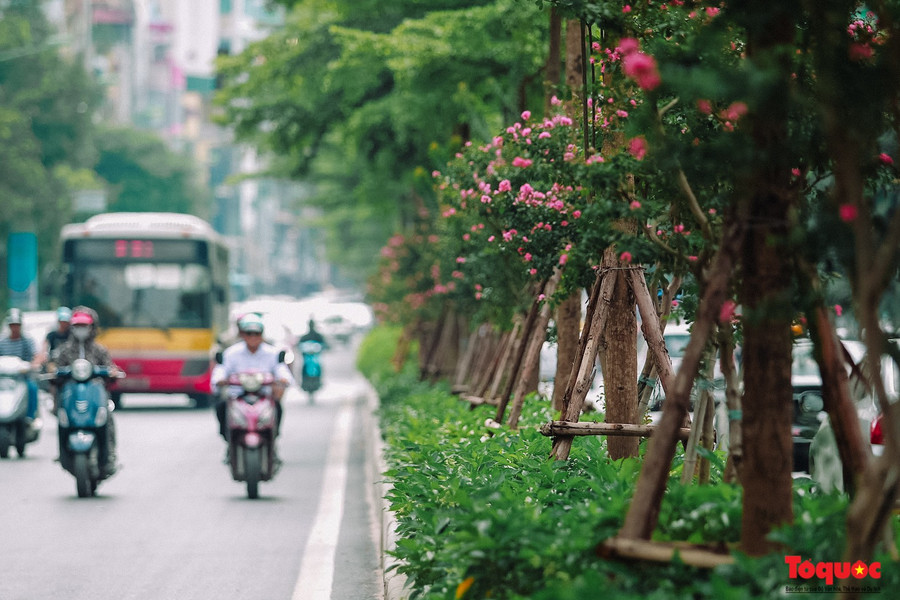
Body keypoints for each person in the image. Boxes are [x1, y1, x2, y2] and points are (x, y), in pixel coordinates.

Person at [54, 306, 122, 475]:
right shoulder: (65, 350)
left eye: (85, 326)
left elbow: (111, 368)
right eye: (77, 326)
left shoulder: (100, 350)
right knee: (62, 418)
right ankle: (62, 452)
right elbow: (54, 369)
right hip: (72, 396)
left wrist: (112, 372)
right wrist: (52, 371)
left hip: (95, 396)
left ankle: (110, 455)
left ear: (92, 328)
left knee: (108, 418)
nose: (81, 330)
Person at [210, 313, 294, 449]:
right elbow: (221, 369)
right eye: (249, 333)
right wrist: (219, 380)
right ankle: (228, 438)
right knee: (221, 406)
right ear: (243, 334)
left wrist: (284, 379)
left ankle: (274, 436)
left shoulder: (272, 353)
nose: (253, 337)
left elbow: (281, 369)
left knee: (277, 406)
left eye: (257, 333)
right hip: (237, 396)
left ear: (262, 334)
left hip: (263, 395)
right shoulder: (231, 353)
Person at [0, 308, 40, 424]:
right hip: (4, 378)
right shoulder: (2, 341)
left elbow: (36, 356)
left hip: (21, 377)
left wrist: (33, 365)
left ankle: (30, 416)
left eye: (17, 325)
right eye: (12, 325)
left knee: (32, 388)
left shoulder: (27, 341)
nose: (14, 327)